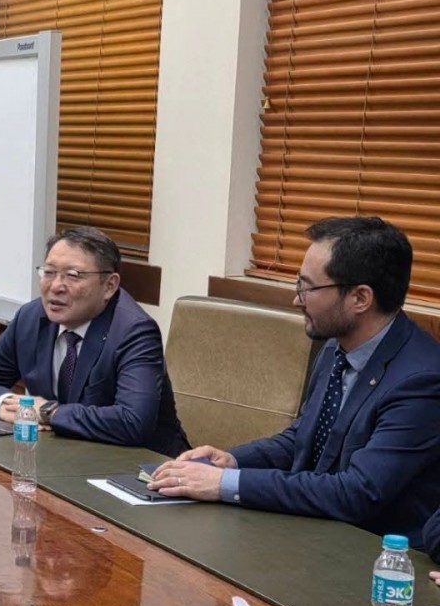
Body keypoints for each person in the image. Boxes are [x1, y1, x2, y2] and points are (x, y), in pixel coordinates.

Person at [151, 217, 440, 547]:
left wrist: (226, 484)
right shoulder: (336, 347)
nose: (297, 300)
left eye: (308, 288)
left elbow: (357, 493)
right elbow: (301, 439)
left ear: (360, 298)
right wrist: (232, 461)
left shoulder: (421, 381)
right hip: (311, 533)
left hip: (373, 555)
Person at [0, 226, 189, 457]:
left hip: (144, 465)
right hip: (62, 455)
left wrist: (49, 412)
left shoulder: (134, 332)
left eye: (73, 275)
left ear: (109, 285)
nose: (55, 286)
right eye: (49, 272)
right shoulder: (31, 317)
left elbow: (133, 421)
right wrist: (6, 404)